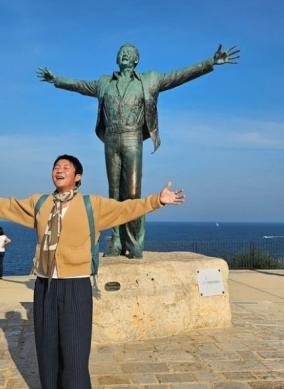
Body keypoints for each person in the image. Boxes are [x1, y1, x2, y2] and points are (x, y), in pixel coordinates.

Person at [0, 154, 184, 389]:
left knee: (74, 347)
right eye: (56, 167)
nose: (59, 171)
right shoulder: (40, 203)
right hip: (45, 282)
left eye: (66, 168)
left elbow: (125, 210)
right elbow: (8, 206)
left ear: (77, 177)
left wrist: (157, 200)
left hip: (76, 282)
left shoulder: (91, 204)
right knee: (46, 345)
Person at [37, 43, 239, 259]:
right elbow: (80, 85)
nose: (124, 54)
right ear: (117, 59)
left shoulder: (150, 80)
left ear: (135, 61)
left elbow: (179, 76)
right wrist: (56, 80)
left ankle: (134, 243)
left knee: (132, 193)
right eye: (121, 52)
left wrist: (210, 62)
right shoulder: (105, 83)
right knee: (114, 194)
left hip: (133, 137)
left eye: (129, 53)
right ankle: (115, 242)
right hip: (111, 138)